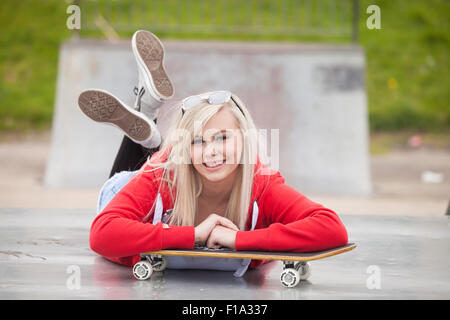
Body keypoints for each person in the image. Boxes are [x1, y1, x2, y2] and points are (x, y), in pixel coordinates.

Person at [78, 30, 348, 277]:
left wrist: (237, 239)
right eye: (198, 141)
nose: (211, 152)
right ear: (186, 146)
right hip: (141, 180)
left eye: (222, 138)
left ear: (243, 140)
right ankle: (148, 118)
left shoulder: (260, 182)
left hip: (168, 164)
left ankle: (150, 122)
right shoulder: (163, 177)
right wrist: (193, 234)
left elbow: (330, 228)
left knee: (162, 161)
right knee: (124, 184)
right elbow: (103, 234)